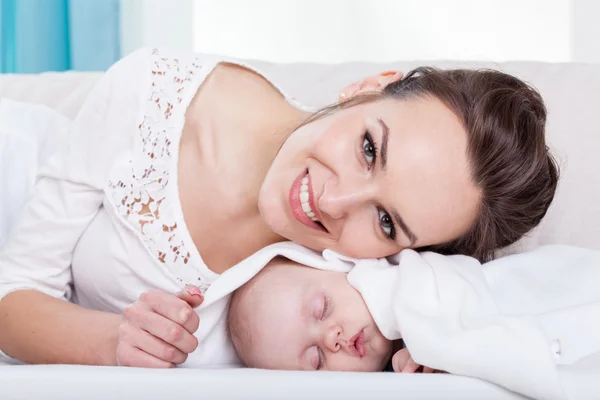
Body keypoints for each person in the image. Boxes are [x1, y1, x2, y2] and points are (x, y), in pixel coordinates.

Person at [0, 47, 558, 367]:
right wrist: (111, 341)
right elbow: (13, 293)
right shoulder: (150, 96)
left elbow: (482, 304)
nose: (334, 203)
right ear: (369, 86)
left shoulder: (367, 283)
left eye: (386, 222)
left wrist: (430, 353)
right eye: (369, 149)